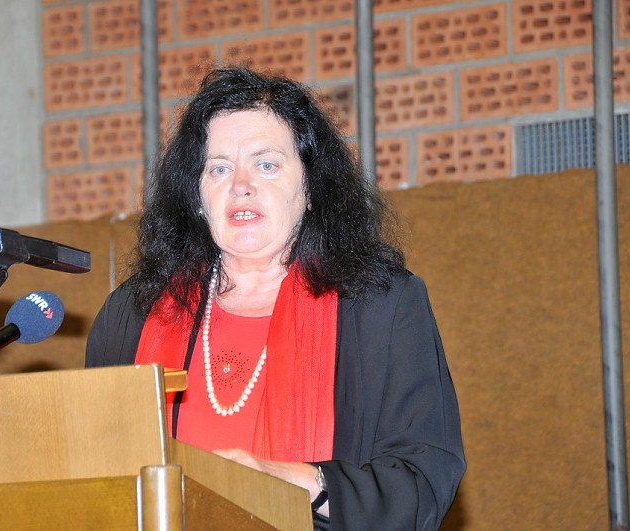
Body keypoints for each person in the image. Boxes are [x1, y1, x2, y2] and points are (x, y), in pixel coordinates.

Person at [86, 67, 465, 530]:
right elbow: (92, 477)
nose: (240, 184)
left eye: (266, 164)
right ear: (198, 197)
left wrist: (297, 483)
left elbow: (423, 479)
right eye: (219, 168)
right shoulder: (130, 316)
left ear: (311, 189)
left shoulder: (380, 306)